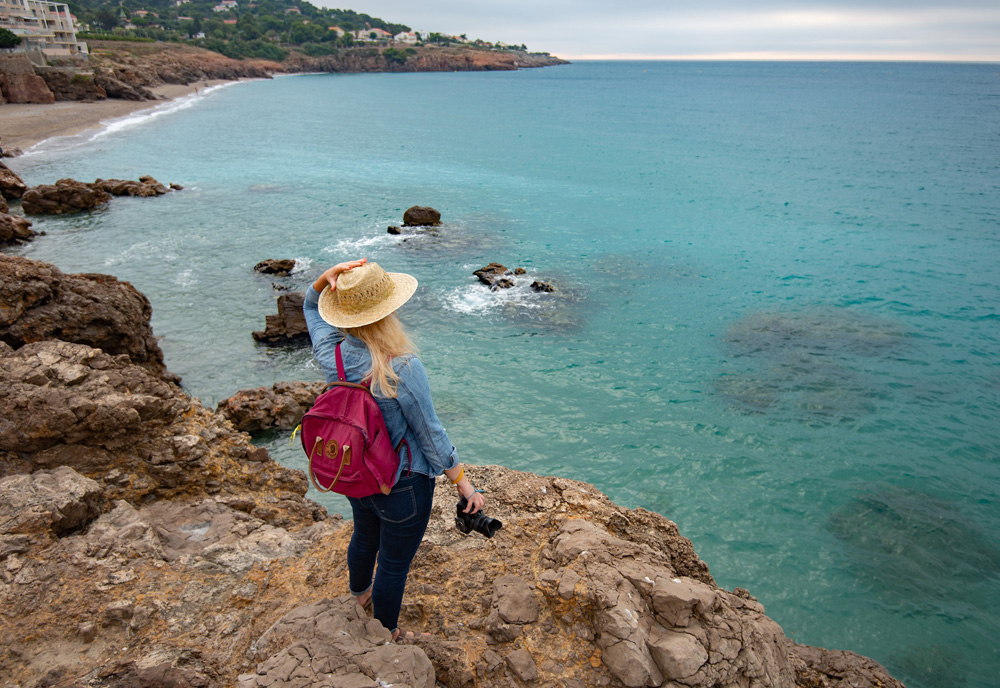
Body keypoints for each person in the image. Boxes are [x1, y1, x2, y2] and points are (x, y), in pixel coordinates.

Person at [302, 257, 486, 642]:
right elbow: (431, 434)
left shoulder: (330, 354)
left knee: (364, 537)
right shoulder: (400, 366)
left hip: (355, 475)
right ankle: (385, 632)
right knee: (394, 563)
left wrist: (325, 278)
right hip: (401, 485)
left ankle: (359, 594)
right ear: (389, 310)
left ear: (344, 314)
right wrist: (463, 484)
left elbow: (309, 308)